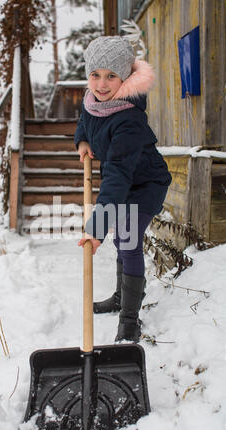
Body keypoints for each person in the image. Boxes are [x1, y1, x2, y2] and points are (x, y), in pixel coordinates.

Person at [75, 36, 172, 343]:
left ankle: (129, 320)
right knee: (123, 240)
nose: (101, 84)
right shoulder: (93, 102)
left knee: (127, 240)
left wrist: (97, 227)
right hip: (123, 181)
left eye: (111, 76)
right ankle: (120, 298)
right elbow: (84, 120)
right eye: (95, 75)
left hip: (145, 184)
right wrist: (83, 141)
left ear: (125, 77)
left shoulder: (128, 119)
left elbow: (117, 174)